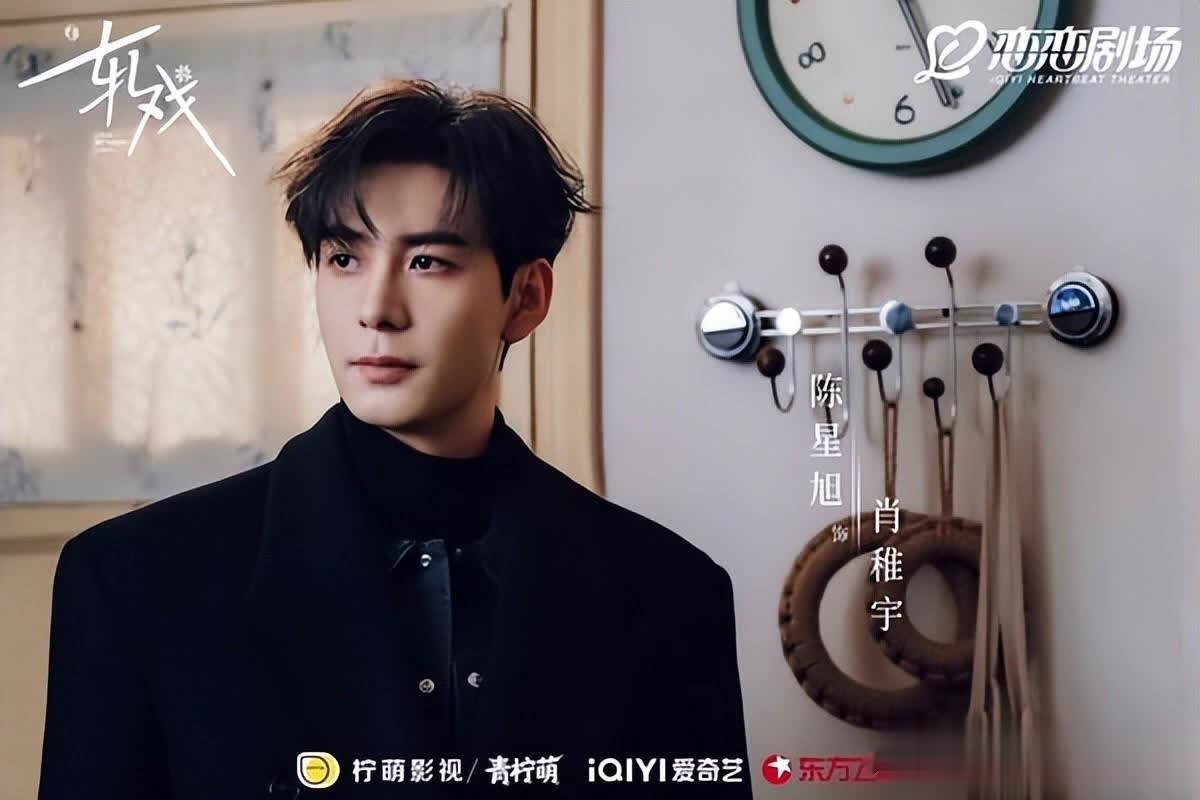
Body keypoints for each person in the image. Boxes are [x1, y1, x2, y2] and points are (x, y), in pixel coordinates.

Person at [36, 79, 752, 799]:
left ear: (526, 298)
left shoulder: (667, 593)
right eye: (344, 259)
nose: (376, 309)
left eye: (427, 262)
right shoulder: (137, 580)